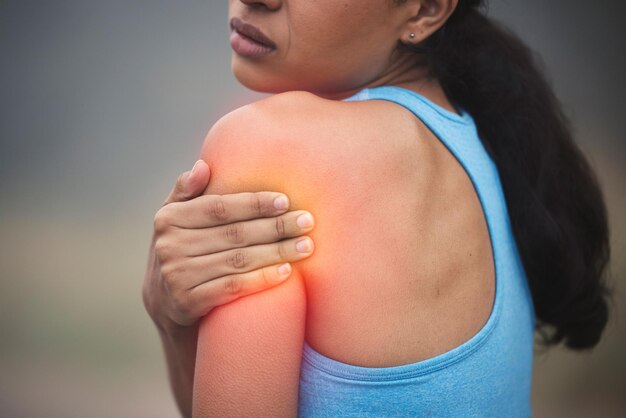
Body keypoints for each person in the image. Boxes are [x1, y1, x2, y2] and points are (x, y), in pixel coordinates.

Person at [142, 0, 611, 416]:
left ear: (426, 10)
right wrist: (173, 322)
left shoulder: (271, 148)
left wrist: (168, 321)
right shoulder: (481, 148)